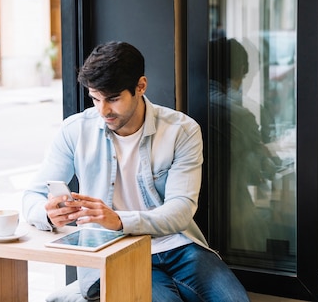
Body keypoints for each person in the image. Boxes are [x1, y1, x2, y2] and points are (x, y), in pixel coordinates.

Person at [22, 41, 250, 302]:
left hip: (177, 246)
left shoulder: (181, 131)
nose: (103, 110)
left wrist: (118, 220)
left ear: (140, 86)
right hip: (113, 250)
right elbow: (32, 196)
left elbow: (181, 210)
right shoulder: (75, 131)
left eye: (113, 98)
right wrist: (48, 214)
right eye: (95, 98)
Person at [209, 38, 278, 253]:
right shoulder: (240, 115)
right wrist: (272, 153)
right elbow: (261, 172)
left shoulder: (185, 106)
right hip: (234, 217)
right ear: (239, 70)